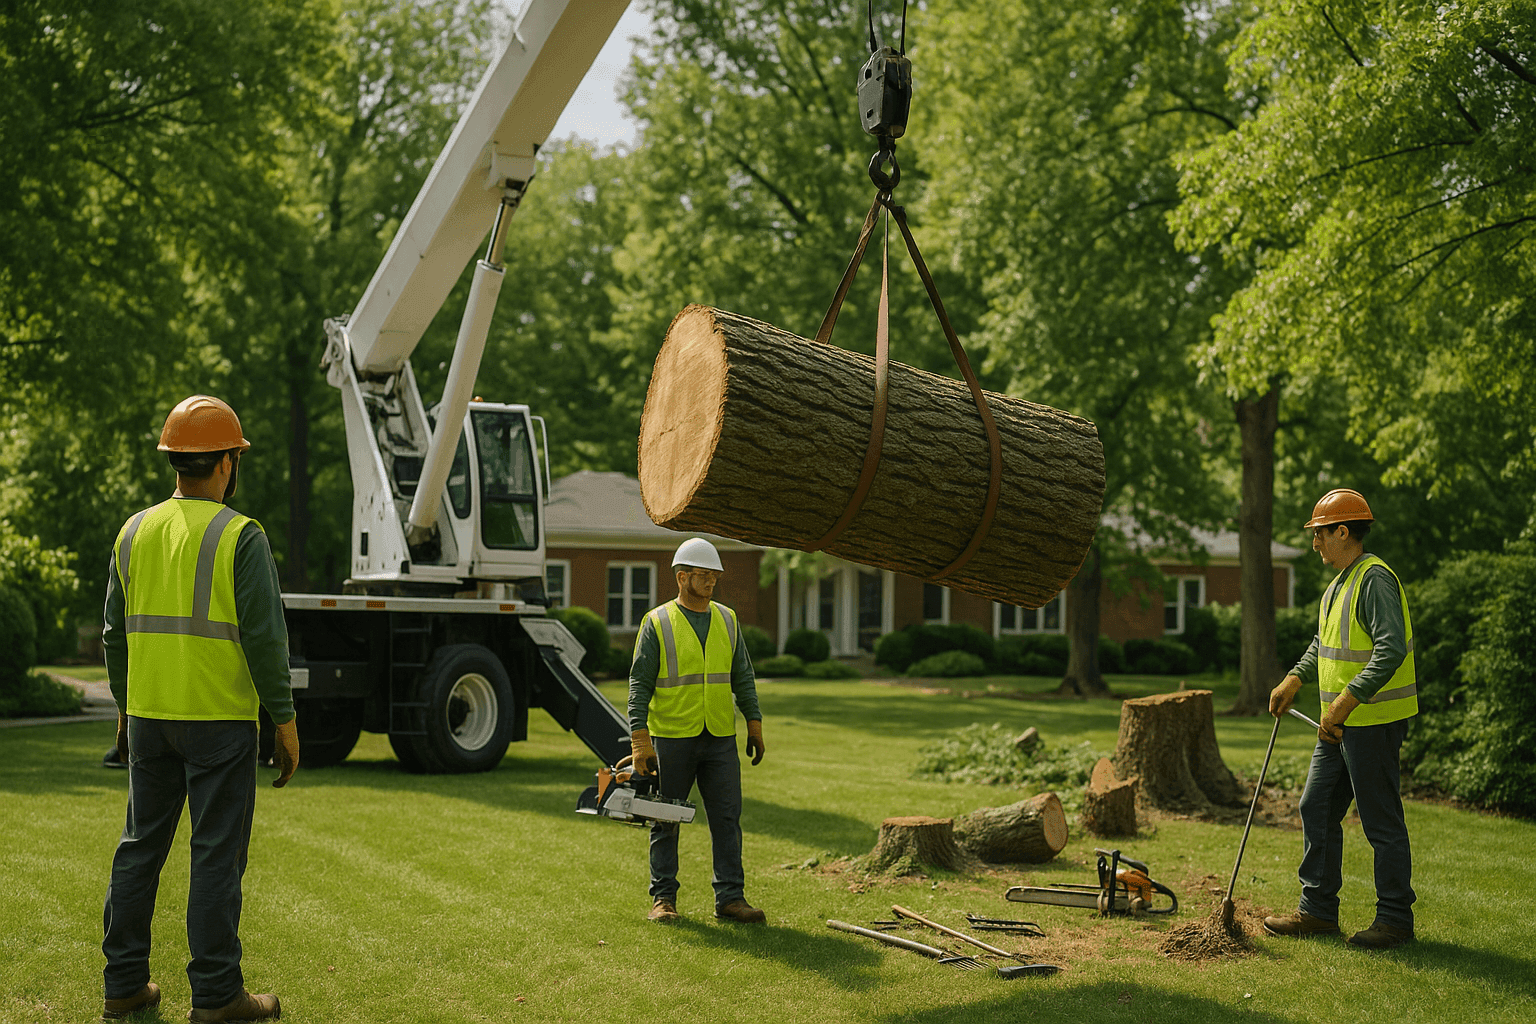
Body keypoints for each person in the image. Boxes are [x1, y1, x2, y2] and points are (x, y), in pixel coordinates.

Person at [100, 395, 299, 1022]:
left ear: (175, 464)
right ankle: (216, 996)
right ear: (228, 464)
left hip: (151, 720)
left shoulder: (133, 532)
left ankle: (124, 984)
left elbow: (112, 635)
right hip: (219, 723)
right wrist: (286, 721)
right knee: (215, 855)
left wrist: (128, 709)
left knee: (139, 848)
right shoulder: (242, 536)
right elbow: (266, 639)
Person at [1266, 488, 1417, 949]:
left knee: (1380, 820)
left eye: (1319, 534)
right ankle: (1317, 913)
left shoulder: (1374, 579)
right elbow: (1323, 644)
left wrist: (1345, 702)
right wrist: (1295, 678)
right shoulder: (1338, 585)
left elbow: (1390, 648)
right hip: (1337, 725)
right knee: (1316, 805)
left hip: (1371, 721)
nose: (1314, 544)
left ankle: (1394, 920)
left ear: (1343, 532)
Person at [628, 537, 766, 924]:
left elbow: (743, 675)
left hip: (720, 736)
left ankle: (730, 899)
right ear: (681, 576)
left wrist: (753, 723)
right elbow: (639, 683)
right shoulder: (656, 622)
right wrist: (640, 740)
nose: (711, 582)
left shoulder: (728, 619)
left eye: (714, 576)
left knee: (727, 819)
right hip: (672, 738)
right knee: (666, 819)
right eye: (703, 576)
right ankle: (664, 899)